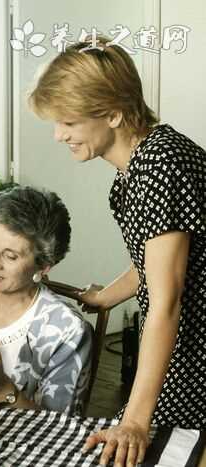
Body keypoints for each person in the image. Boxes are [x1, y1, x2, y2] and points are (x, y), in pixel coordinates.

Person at [29, 37, 206, 467]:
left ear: (113, 113)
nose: (58, 135)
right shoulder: (141, 164)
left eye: (68, 122)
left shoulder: (161, 167)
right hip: (185, 340)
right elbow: (158, 262)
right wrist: (106, 295)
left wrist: (135, 419)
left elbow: (167, 298)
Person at [0, 186, 92, 415]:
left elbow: (60, 428)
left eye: (10, 256)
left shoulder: (67, 330)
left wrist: (1, 389)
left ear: (44, 266)